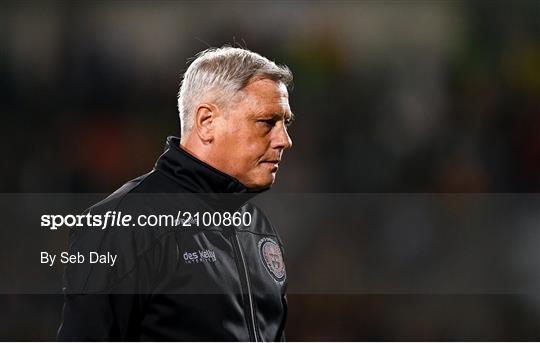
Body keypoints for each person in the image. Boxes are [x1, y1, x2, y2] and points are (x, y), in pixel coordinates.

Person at [57, 46, 294, 341]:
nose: (284, 140)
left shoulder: (259, 230)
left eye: (285, 123)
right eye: (267, 122)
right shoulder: (124, 225)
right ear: (207, 122)